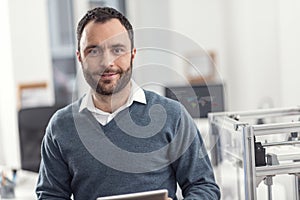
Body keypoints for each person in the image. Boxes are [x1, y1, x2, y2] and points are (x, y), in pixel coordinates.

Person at [35, 7, 220, 200]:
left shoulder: (173, 116)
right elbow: (50, 196)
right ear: (80, 57)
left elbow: (204, 187)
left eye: (117, 49)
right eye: (94, 51)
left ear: (132, 54)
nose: (107, 62)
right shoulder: (61, 126)